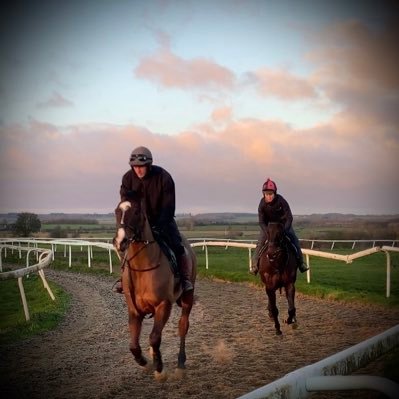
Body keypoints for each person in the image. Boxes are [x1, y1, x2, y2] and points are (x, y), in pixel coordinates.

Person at [113, 146, 194, 293]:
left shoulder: (164, 177)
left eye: (141, 167)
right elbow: (126, 203)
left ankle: (184, 279)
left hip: (162, 220)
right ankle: (123, 278)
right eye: (135, 167)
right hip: (138, 222)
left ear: (149, 165)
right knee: (123, 243)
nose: (138, 170)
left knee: (177, 244)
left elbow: (169, 207)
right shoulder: (127, 178)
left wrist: (159, 226)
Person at [250, 178, 309, 275]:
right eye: (266, 194)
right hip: (269, 227)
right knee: (260, 243)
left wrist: (285, 230)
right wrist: (267, 231)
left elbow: (289, 217)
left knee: (295, 241)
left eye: (270, 194)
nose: (268, 196)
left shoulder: (282, 201)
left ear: (275, 193)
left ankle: (301, 264)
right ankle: (254, 266)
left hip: (283, 225)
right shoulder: (262, 204)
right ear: (263, 194)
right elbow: (261, 221)